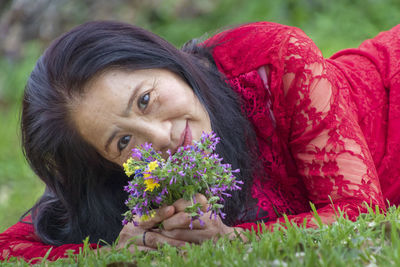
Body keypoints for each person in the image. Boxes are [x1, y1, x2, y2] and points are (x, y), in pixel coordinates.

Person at [0, 19, 398, 263]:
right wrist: (110, 254)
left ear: (164, 61)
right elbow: (9, 248)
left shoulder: (273, 59)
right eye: (123, 141)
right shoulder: (133, 185)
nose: (160, 137)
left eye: (145, 100)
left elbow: (359, 212)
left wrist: (236, 238)